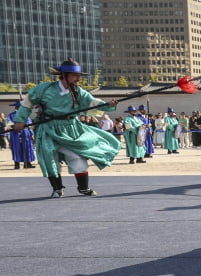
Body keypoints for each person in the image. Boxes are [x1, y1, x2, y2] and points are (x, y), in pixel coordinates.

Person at [9, 58, 120, 197]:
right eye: (75, 75)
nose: (78, 78)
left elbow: (92, 102)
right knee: (49, 157)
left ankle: (83, 188)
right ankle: (57, 188)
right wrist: (20, 120)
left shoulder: (78, 92)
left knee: (77, 156)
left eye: (79, 76)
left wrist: (108, 105)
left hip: (71, 128)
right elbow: (27, 103)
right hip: (48, 127)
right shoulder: (44, 89)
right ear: (64, 75)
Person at [8, 101, 36, 169]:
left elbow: (9, 124)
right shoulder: (23, 114)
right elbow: (9, 124)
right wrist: (31, 134)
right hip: (18, 133)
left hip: (20, 133)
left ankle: (19, 164)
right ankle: (23, 164)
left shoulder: (11, 115)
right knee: (21, 148)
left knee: (21, 148)